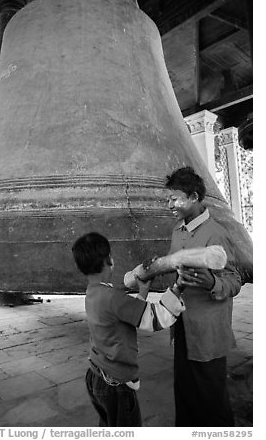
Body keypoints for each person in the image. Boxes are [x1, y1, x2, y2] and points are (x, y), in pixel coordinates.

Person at [71, 231, 185, 427]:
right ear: (109, 260)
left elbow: (127, 315)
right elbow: (155, 318)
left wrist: (142, 291)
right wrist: (177, 289)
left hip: (96, 377)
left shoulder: (93, 292)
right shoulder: (113, 298)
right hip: (115, 386)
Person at [161, 166, 242, 427]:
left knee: (211, 399)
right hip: (183, 324)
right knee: (185, 393)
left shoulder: (216, 233)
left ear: (194, 197)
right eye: (168, 198)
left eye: (175, 199)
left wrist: (212, 283)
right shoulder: (178, 231)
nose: (169, 204)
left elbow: (234, 280)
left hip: (207, 330)